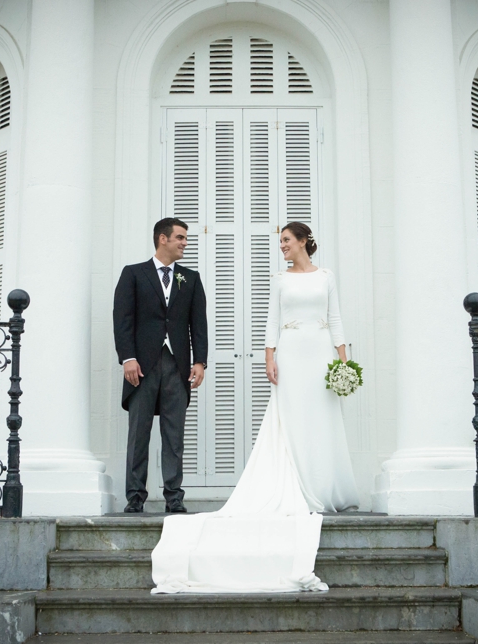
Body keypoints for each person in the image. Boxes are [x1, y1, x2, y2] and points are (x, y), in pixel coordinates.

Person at [150, 221, 359, 593]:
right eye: (280, 242)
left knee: (321, 419)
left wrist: (344, 361)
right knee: (291, 417)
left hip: (321, 349)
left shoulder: (327, 276)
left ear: (304, 242)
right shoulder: (279, 279)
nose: (282, 246)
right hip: (292, 352)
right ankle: (295, 485)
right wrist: (269, 358)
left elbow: (337, 318)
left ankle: (322, 486)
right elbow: (271, 321)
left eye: (287, 241)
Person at [113, 218, 208, 514]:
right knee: (138, 433)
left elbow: (198, 324)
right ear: (162, 239)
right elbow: (123, 319)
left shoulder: (190, 278)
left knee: (174, 434)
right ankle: (135, 497)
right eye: (180, 237)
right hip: (141, 366)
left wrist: (200, 361)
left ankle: (173, 497)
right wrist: (128, 358)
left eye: (186, 238)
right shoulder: (133, 274)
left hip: (177, 366)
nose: (185, 243)